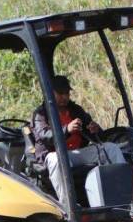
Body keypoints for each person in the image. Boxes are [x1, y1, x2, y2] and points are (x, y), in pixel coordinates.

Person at [32, 75, 126, 204]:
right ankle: (68, 205)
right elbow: (45, 136)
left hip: (77, 154)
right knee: (56, 159)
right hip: (54, 156)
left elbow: (93, 133)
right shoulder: (40, 114)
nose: (65, 97)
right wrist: (67, 129)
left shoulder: (76, 110)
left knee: (111, 149)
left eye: (67, 93)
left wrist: (95, 130)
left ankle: (124, 197)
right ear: (49, 92)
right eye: (60, 93)